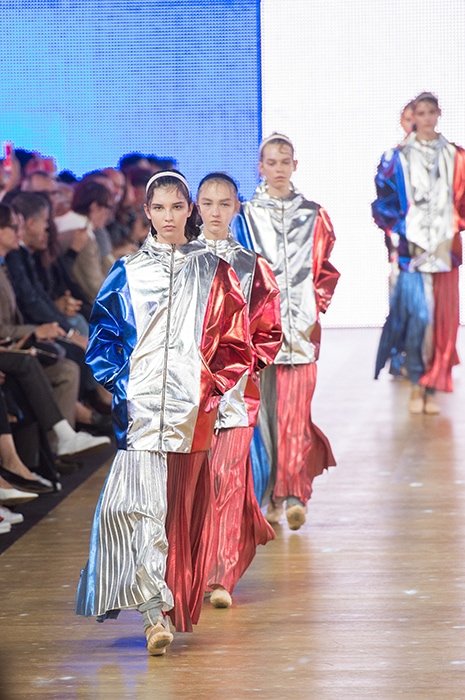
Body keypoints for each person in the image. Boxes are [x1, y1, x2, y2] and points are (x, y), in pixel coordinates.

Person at [76, 171, 252, 655]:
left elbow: (235, 344)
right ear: (147, 213)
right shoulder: (127, 272)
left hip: (193, 415)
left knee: (180, 517)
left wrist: (209, 388)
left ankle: (171, 603)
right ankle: (154, 612)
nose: (168, 217)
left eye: (177, 207)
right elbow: (102, 342)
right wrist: (125, 386)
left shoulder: (214, 271)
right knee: (139, 509)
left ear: (189, 210)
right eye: (159, 208)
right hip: (139, 414)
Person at [234, 133, 339, 531]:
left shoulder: (314, 215)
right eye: (271, 162)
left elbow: (326, 269)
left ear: (295, 165)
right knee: (262, 417)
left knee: (295, 415)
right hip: (260, 334)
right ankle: (268, 495)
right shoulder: (245, 217)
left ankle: (294, 494)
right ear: (260, 167)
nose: (278, 169)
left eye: (285, 161)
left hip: (302, 333)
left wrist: (315, 305)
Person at [196, 172, 282, 609]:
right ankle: (193, 569)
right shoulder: (178, 261)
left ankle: (220, 576)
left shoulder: (252, 266)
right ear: (196, 207)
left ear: (237, 208)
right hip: (186, 395)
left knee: (228, 478)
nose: (215, 212)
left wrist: (251, 368)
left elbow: (269, 328)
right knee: (195, 485)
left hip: (235, 393)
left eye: (224, 203)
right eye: (208, 203)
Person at [373, 92, 465, 414]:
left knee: (443, 322)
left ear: (439, 114)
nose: (426, 118)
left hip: (445, 252)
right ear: (414, 116)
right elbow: (384, 202)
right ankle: (416, 382)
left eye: (430, 112)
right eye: (420, 113)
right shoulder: (397, 158)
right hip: (411, 255)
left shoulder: (456, 156)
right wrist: (403, 228)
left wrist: (451, 223)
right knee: (417, 320)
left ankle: (432, 385)